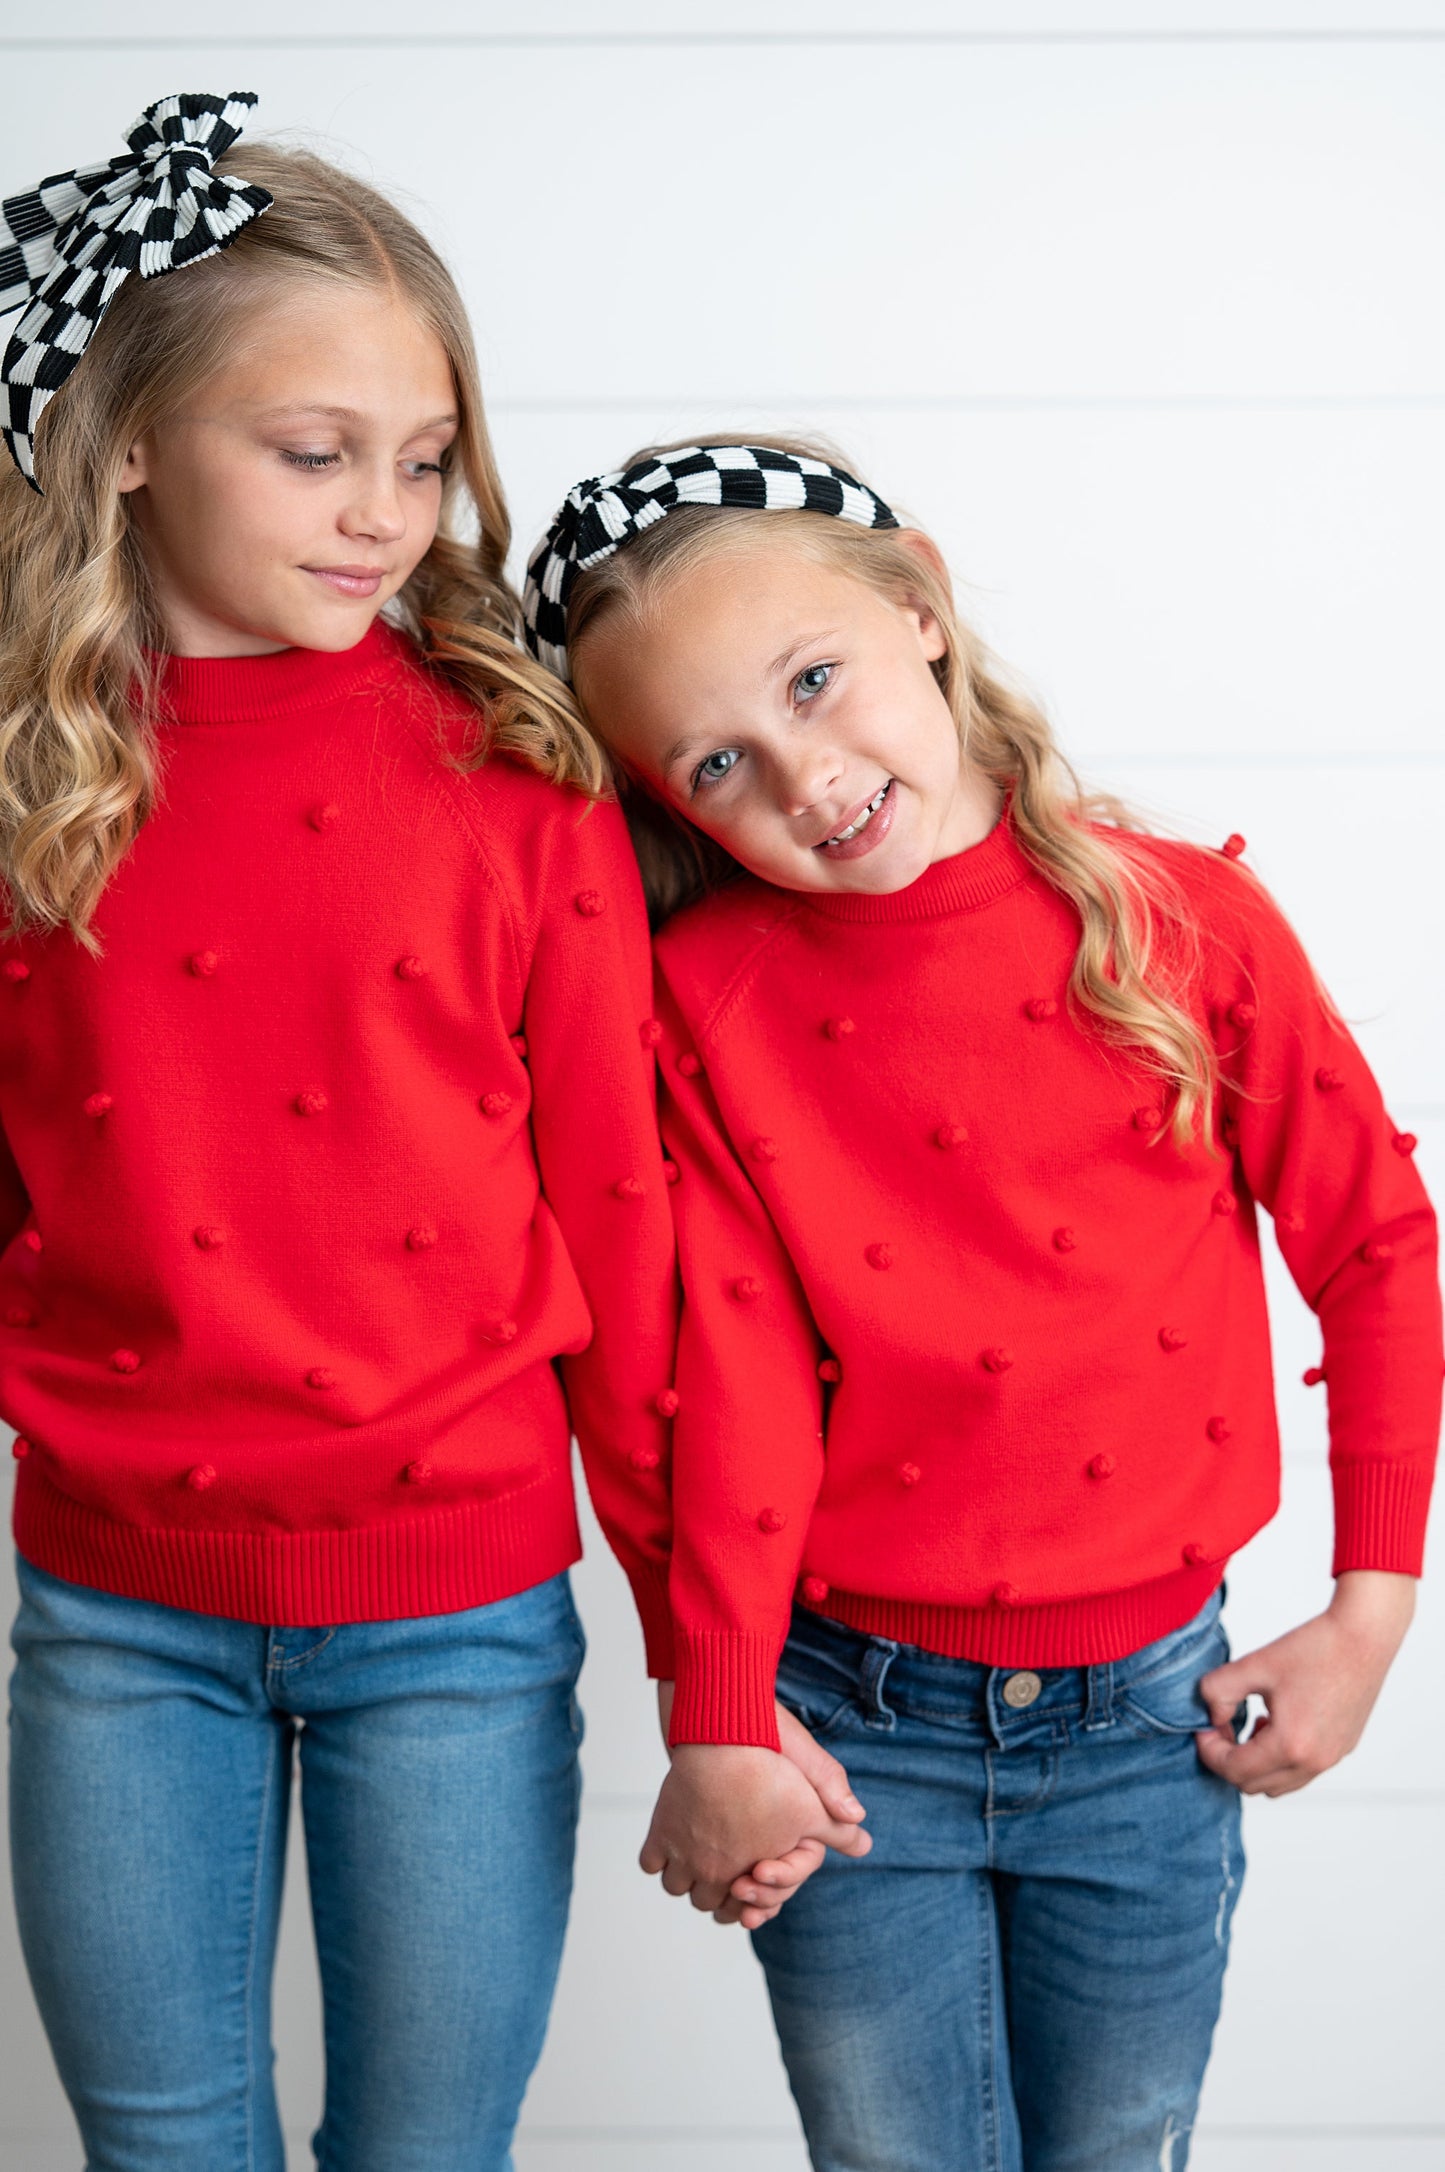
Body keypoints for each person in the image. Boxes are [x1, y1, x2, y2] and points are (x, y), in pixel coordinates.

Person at [523, 438, 1442, 2172]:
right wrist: (715, 1702)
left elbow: (1376, 1245)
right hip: (851, 1734)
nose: (804, 775)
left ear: (918, 606)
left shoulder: (1182, 926)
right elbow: (699, 1382)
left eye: (815, 682)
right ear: (668, 807)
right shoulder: (701, 1005)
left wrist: (1369, 1615)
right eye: (720, 762)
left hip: (1154, 1730)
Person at [0, 93, 689, 2172]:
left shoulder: (516, 776)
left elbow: (623, 1217)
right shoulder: (32, 785)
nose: (382, 513)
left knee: (429, 2151)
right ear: (125, 441)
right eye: (316, 457)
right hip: (115, 1609)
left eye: (420, 459)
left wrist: (717, 1669)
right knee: (163, 2145)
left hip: (464, 1614)